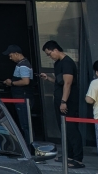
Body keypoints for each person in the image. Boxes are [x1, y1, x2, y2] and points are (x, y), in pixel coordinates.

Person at [40, 40, 85, 169]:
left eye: (49, 54)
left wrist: (64, 101)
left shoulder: (67, 63)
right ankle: (69, 155)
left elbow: (68, 83)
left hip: (68, 102)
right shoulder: (58, 64)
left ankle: (78, 158)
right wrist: (48, 78)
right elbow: (60, 82)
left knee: (71, 129)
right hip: (60, 100)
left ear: (55, 50)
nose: (50, 56)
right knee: (63, 128)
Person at [2, 44, 34, 145]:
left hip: (22, 97)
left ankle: (28, 148)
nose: (10, 58)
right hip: (21, 97)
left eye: (11, 55)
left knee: (25, 125)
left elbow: (25, 81)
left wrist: (11, 83)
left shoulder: (23, 65)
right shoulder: (22, 64)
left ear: (17, 54)